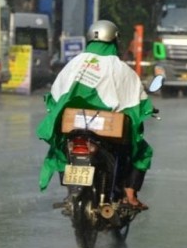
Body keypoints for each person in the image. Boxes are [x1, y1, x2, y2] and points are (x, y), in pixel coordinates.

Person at [36, 19, 155, 209]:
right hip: (107, 129)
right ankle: (129, 194)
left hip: (74, 126)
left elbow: (54, 96)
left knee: (62, 147)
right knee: (140, 150)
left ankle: (71, 192)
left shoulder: (73, 64)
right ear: (115, 40)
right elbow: (136, 101)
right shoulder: (120, 68)